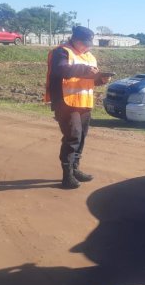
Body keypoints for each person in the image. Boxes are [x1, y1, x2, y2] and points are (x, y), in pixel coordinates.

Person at [44, 26, 112, 189]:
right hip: (66, 101)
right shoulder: (62, 52)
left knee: (81, 136)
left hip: (84, 102)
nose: (87, 46)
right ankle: (67, 175)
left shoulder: (89, 57)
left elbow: (89, 79)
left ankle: (75, 169)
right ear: (75, 39)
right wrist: (85, 69)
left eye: (89, 43)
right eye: (84, 43)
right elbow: (60, 70)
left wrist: (100, 80)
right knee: (72, 136)